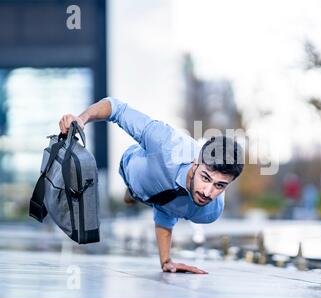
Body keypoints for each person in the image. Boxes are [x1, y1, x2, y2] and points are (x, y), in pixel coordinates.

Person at [59, 97, 244, 274]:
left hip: (157, 195)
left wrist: (166, 261)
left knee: (162, 200)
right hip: (132, 169)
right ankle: (131, 193)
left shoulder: (210, 211)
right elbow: (116, 108)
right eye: (205, 178)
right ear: (196, 164)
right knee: (135, 194)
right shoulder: (165, 143)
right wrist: (81, 119)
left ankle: (135, 196)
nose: (208, 192)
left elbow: (167, 213)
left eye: (219, 186)